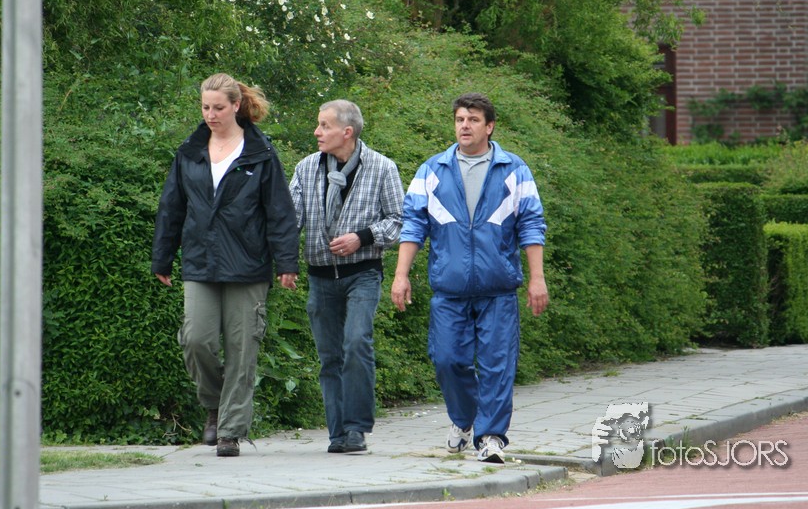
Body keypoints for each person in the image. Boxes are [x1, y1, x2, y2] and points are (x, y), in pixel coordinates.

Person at [390, 92, 549, 464]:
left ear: (489, 127)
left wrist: (536, 278)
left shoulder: (514, 169)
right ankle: (463, 420)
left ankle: (490, 437)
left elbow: (531, 224)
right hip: (450, 287)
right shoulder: (432, 170)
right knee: (447, 360)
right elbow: (413, 225)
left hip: (498, 288)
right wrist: (401, 275)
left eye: (473, 120)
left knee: (497, 365)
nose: (465, 125)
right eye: (460, 119)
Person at [152, 73, 299, 458]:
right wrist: (163, 256)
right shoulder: (189, 152)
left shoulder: (261, 153)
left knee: (241, 348)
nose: (211, 114)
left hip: (248, 263)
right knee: (196, 340)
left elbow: (279, 211)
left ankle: (230, 431)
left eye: (218, 107)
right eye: (205, 107)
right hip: (200, 261)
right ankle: (214, 406)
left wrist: (286, 261)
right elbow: (171, 207)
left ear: (236, 106)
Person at [289, 100, 404, 454]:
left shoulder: (382, 167)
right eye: (318, 124)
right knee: (329, 357)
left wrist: (362, 237)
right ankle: (337, 434)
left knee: (356, 343)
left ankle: (356, 429)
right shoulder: (306, 168)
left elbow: (400, 222)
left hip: (363, 273)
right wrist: (284, 262)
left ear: (347, 132)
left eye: (324, 125)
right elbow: (290, 220)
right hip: (320, 276)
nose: (317, 132)